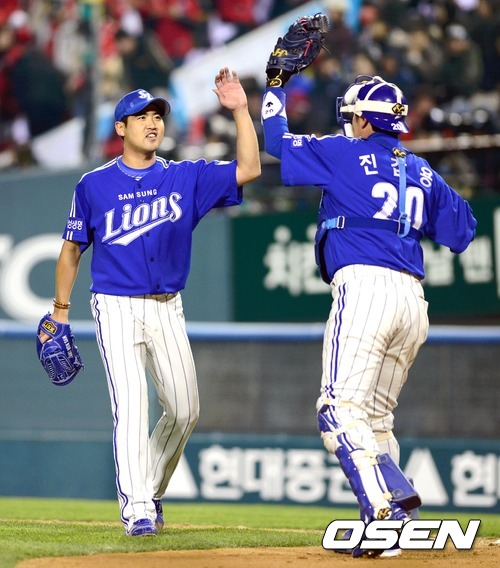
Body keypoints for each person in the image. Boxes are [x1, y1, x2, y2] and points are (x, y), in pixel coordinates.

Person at [261, 73, 476, 557]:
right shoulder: (422, 170)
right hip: (412, 301)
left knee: (338, 410)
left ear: (362, 120)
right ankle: (397, 527)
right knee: (376, 420)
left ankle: (382, 513)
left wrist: (275, 86)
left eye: (352, 117)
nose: (348, 124)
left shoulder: (344, 153)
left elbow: (275, 141)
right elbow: (463, 231)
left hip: (365, 289)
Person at [39, 67, 260, 536]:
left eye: (157, 115)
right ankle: (137, 509)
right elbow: (71, 249)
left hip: (167, 305)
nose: (152, 122)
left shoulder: (185, 176)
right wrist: (59, 311)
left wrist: (241, 110)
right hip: (115, 305)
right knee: (132, 406)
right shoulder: (93, 184)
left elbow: (249, 169)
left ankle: (151, 489)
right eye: (141, 116)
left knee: (185, 409)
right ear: (121, 128)